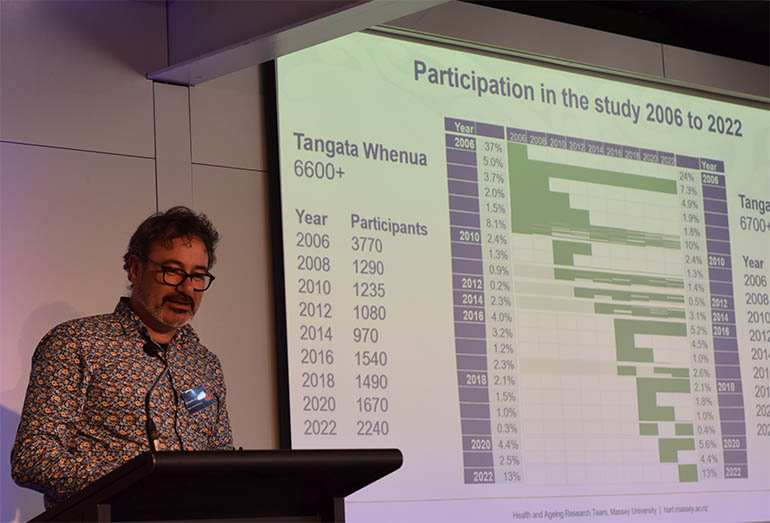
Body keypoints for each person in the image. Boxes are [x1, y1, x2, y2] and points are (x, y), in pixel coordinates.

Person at [11, 206, 233, 509]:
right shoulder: (77, 343)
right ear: (135, 268)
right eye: (173, 271)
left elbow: (222, 455)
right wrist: (137, 483)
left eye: (197, 276)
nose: (186, 288)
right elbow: (32, 458)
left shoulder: (205, 364)